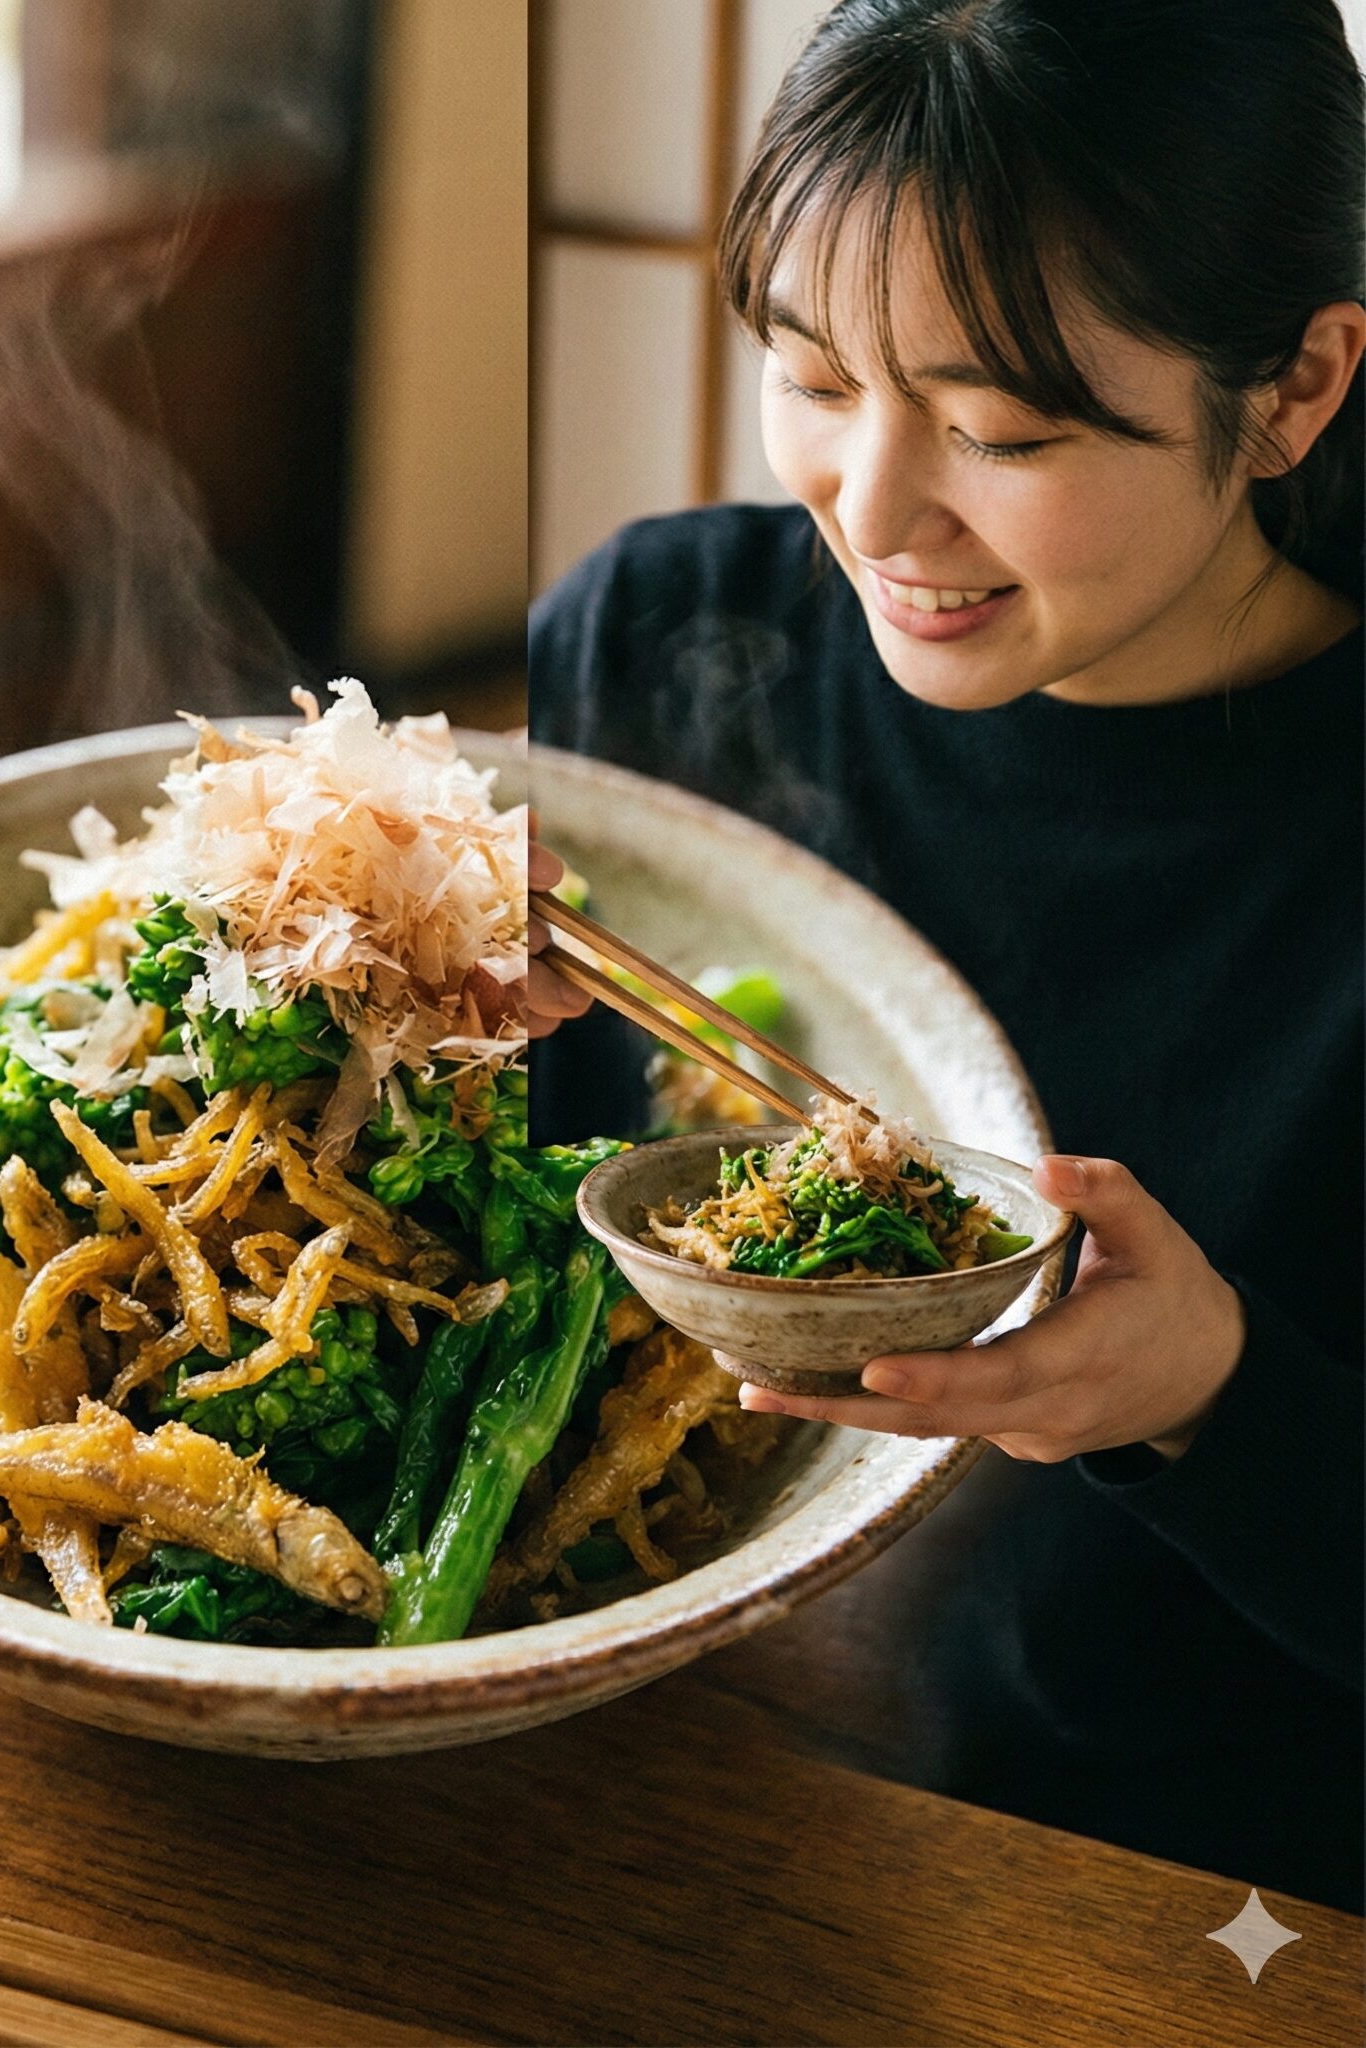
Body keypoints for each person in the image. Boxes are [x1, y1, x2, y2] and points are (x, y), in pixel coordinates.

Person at [527, 0, 1363, 1910]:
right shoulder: (660, 638)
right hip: (629, 1781)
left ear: (1302, 385)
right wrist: (403, 1035)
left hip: (1173, 1895)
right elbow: (528, 1275)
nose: (876, 511)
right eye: (812, 378)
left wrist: (1211, 1396)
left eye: (1003, 429)